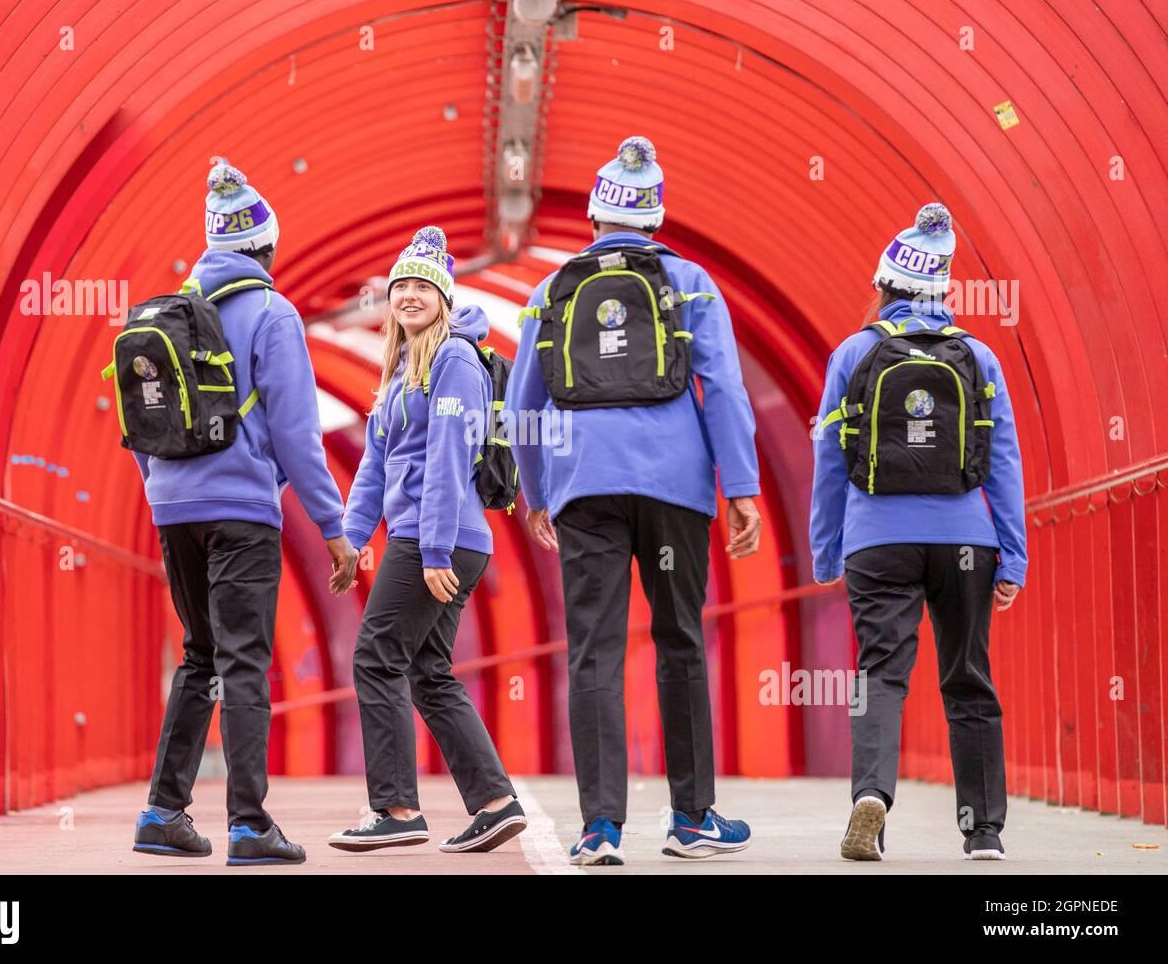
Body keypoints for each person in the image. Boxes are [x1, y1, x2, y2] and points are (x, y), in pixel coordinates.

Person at [507, 137, 763, 865]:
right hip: (676, 488)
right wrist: (740, 486)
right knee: (679, 638)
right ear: (655, 219)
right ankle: (691, 820)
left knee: (594, 650)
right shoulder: (690, 282)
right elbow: (725, 388)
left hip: (586, 485)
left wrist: (537, 492)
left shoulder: (550, 290)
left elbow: (522, 403)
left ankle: (600, 829)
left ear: (593, 216)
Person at [130, 161, 359, 866]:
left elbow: (142, 429)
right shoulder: (271, 313)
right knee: (245, 663)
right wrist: (334, 529)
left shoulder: (162, 313)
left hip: (173, 508)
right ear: (266, 247)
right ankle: (249, 825)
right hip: (240, 515)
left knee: (200, 655)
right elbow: (296, 433)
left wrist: (165, 489)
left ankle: (163, 813)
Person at [809, 202, 1027, 862]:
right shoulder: (979, 357)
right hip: (965, 538)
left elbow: (827, 456)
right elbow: (1005, 458)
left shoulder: (854, 353)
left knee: (881, 674)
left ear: (886, 286)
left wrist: (827, 549)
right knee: (968, 677)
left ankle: (871, 796)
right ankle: (982, 829)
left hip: (878, 536)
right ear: (942, 291)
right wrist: (1012, 555)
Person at [327, 226, 527, 854]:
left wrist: (434, 549)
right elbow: (374, 467)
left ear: (443, 296)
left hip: (438, 538)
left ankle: (396, 809)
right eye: (400, 287)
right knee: (427, 671)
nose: (409, 296)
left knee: (375, 658)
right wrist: (352, 539)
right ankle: (496, 804)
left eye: (422, 286)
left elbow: (448, 456)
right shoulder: (396, 374)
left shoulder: (455, 360)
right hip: (425, 535)